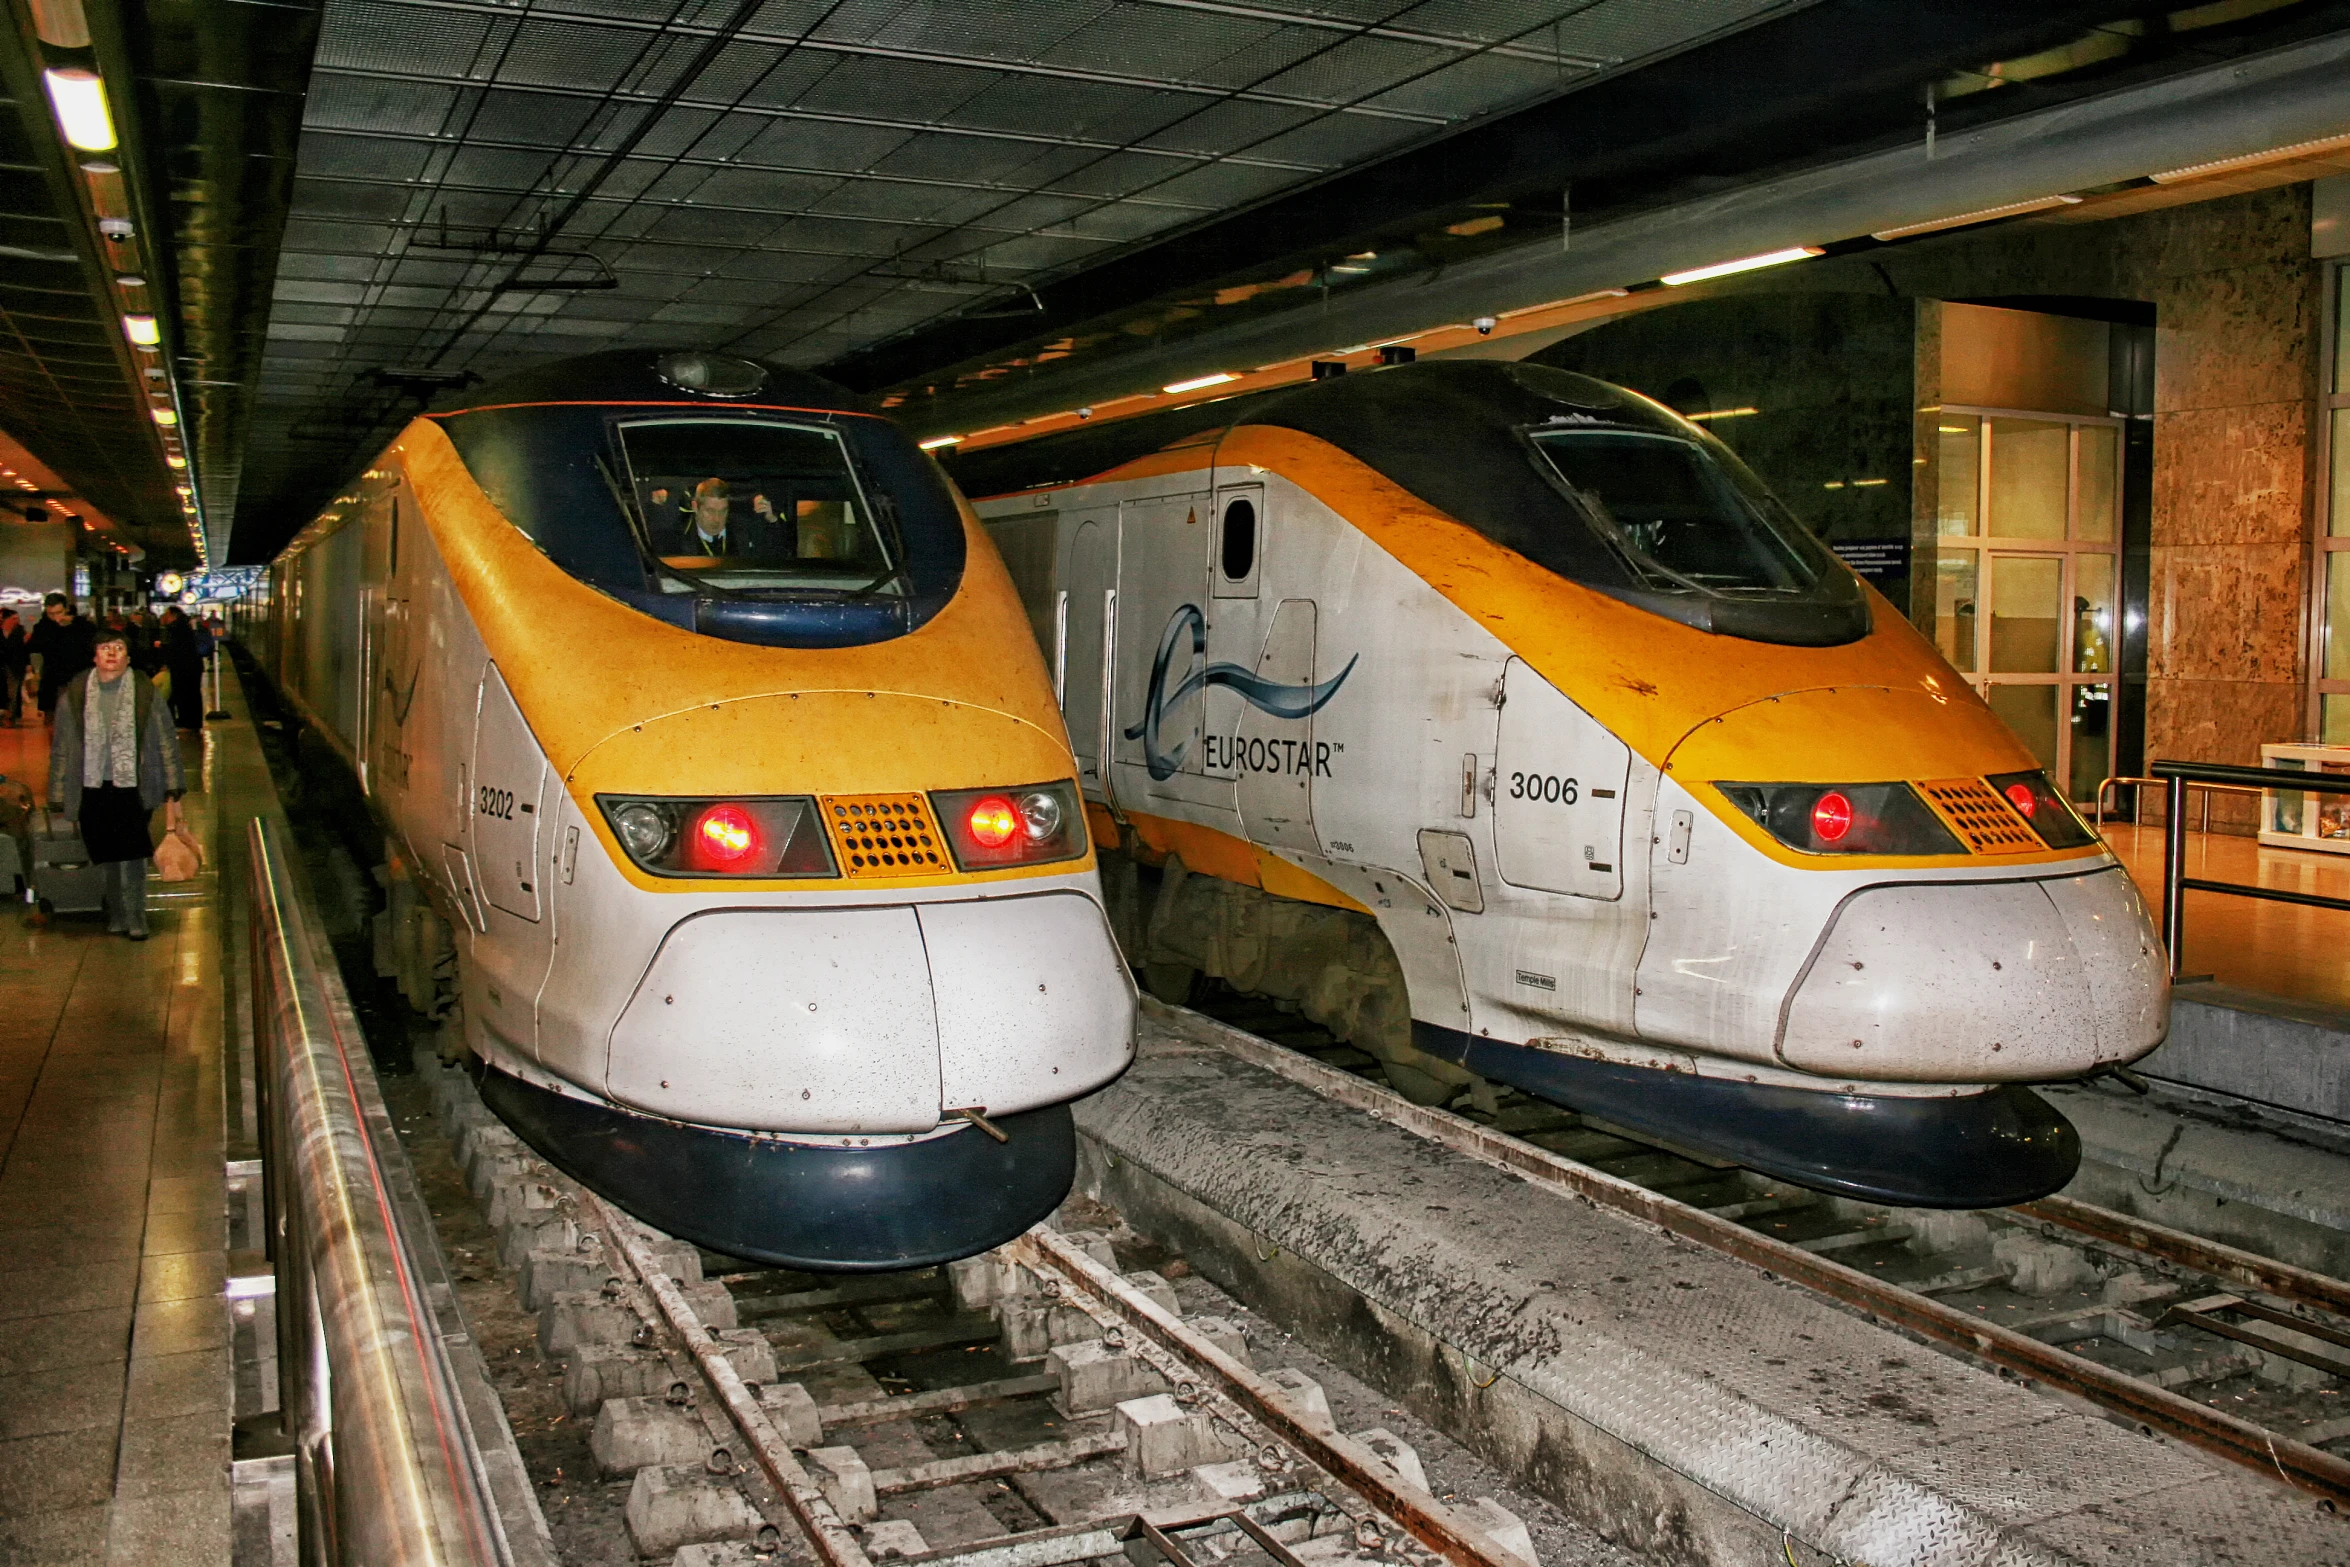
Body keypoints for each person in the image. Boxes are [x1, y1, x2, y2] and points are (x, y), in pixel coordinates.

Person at [48, 624, 184, 940]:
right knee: (107, 853)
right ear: (94, 656)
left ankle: (137, 917)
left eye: (119, 648)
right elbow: (63, 747)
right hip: (92, 786)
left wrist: (173, 786)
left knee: (133, 852)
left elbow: (166, 739)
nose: (112, 653)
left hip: (134, 784)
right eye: (105, 648)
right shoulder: (75, 695)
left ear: (128, 657)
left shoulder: (145, 693)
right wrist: (57, 793)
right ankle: (118, 914)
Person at [26, 594, 95, 726]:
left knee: (78, 719)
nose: (55, 617)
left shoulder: (82, 626)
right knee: (52, 721)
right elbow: (34, 647)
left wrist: (70, 626)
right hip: (53, 679)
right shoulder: (43, 627)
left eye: (58, 612)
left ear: (66, 609)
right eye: (51, 614)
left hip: (77, 677)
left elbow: (90, 647)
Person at [670, 477, 775, 557]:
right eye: (710, 511)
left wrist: (772, 520)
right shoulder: (677, 537)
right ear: (695, 507)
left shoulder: (745, 531)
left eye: (723, 511)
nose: (717, 519)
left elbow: (777, 555)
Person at [159, 606, 203, 730]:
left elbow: (175, 649)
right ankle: (191, 720)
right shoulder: (184, 625)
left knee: (184, 694)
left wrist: (166, 660)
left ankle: (188, 720)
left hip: (183, 667)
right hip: (190, 666)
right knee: (191, 694)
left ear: (173, 615)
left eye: (166, 615)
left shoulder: (176, 628)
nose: (165, 617)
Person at [0, 608, 26, 726]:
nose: (16, 621)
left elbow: (23, 650)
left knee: (13, 692)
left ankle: (11, 716)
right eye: (13, 618)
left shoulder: (19, 631)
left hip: (15, 667)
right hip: (2, 666)